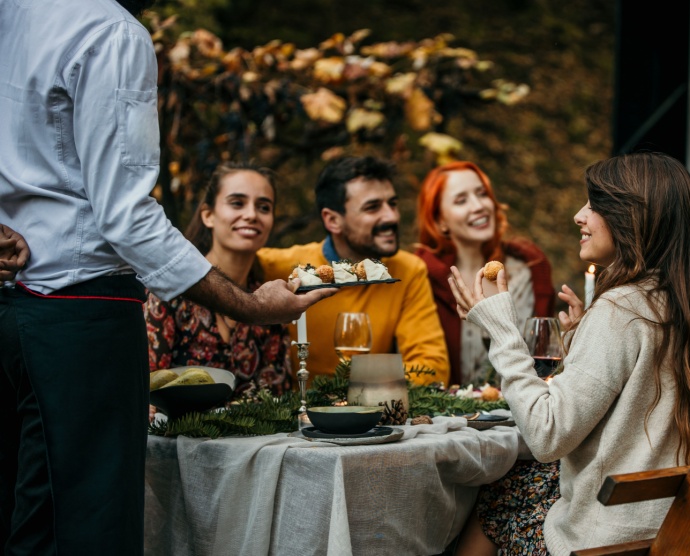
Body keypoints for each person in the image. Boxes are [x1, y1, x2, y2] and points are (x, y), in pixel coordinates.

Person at [0, 1, 334, 554]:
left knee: (26, 523)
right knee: (88, 531)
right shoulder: (109, 30)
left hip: (12, 313)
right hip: (79, 314)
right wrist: (252, 306)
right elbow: (126, 217)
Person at [449, 152, 690, 555]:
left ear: (632, 217)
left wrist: (502, 328)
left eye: (594, 205)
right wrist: (581, 342)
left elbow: (546, 435)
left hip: (618, 542)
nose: (579, 215)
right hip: (687, 530)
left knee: (499, 495)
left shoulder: (621, 311)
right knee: (517, 488)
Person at [258, 156, 450, 386]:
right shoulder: (279, 266)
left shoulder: (407, 271)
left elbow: (432, 367)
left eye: (393, 203)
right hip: (292, 415)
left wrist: (358, 394)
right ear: (332, 220)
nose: (392, 216)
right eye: (372, 207)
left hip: (370, 412)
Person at [145, 163, 294, 400]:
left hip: (254, 436)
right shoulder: (172, 291)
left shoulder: (270, 300)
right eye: (237, 203)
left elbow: (279, 397)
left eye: (263, 207)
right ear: (208, 215)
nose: (252, 215)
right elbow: (144, 386)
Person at [414, 161, 555, 387]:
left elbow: (545, 352)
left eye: (482, 194)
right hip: (448, 415)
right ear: (440, 222)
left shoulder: (529, 268)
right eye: (461, 200)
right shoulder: (422, 277)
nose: (478, 205)